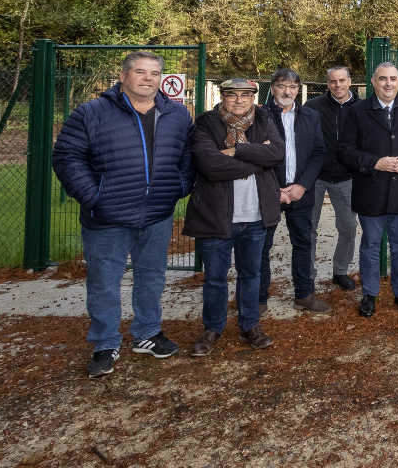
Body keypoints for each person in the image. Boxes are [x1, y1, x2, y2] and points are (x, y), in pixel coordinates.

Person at [52, 51, 193, 378]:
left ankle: (146, 333)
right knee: (104, 282)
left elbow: (187, 156)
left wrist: (179, 186)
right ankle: (105, 343)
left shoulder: (176, 115)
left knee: (152, 277)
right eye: (141, 72)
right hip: (107, 218)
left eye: (155, 73)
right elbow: (67, 157)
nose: (148, 79)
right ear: (124, 75)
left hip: (156, 213)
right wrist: (93, 196)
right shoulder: (92, 112)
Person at [184, 78, 284, 356]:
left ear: (253, 97)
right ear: (222, 96)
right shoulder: (206, 122)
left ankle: (250, 325)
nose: (239, 100)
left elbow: (276, 153)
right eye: (231, 95)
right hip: (216, 216)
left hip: (255, 216)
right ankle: (212, 328)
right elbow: (210, 165)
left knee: (251, 274)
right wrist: (256, 159)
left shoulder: (264, 118)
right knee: (215, 277)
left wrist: (237, 150)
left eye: (245, 95)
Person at [339, 62, 398, 318]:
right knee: (370, 245)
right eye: (383, 79)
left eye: (393, 78)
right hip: (370, 193)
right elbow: (345, 151)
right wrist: (374, 162)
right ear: (373, 82)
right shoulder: (357, 112)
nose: (388, 83)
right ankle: (370, 294)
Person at [260, 68, 330, 313]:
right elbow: (254, 155)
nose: (287, 91)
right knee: (261, 245)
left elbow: (319, 152)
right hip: (269, 193)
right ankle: (258, 299)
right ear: (273, 88)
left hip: (301, 192)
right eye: (281, 86)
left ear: (298, 90)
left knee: (303, 243)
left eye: (292, 87)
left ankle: (304, 294)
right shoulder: (259, 115)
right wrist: (274, 189)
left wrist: (302, 185)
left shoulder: (310, 116)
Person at [306, 66, 360, 291]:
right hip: (315, 177)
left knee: (348, 226)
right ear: (327, 83)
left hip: (347, 177)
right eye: (332, 81)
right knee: (308, 228)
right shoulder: (312, 107)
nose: (337, 85)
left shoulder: (361, 108)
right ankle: (307, 275)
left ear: (350, 81)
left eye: (341, 80)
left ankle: (340, 271)